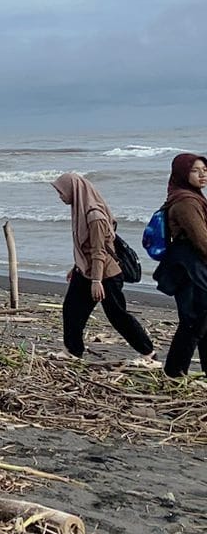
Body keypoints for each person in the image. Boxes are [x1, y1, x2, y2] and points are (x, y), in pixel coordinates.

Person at [53, 173, 156, 365]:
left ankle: (149, 354)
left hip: (105, 275)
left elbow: (99, 251)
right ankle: (73, 351)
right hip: (86, 270)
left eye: (60, 192)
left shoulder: (94, 216)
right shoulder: (80, 210)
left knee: (117, 315)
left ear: (73, 190)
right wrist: (76, 266)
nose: (60, 196)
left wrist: (96, 281)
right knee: (72, 309)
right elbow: (86, 247)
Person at [155, 153, 207, 379]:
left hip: (190, 265)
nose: (203, 175)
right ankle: (174, 372)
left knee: (200, 323)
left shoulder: (187, 197)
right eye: (196, 170)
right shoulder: (186, 202)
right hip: (190, 268)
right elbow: (202, 241)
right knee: (193, 322)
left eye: (205, 170)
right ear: (183, 173)